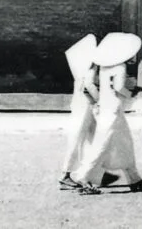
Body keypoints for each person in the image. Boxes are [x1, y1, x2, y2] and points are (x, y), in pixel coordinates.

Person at [69, 32, 142, 195]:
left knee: (124, 143)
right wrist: (131, 94)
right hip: (113, 109)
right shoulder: (120, 67)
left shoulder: (103, 67)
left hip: (105, 107)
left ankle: (134, 178)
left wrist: (97, 101)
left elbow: (91, 86)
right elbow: (119, 87)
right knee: (102, 144)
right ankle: (83, 177)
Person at [59, 34, 99, 190]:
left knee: (91, 137)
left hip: (78, 103)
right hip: (86, 105)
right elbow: (88, 86)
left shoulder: (79, 67)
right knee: (79, 137)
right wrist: (98, 101)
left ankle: (89, 171)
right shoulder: (90, 66)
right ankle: (66, 174)